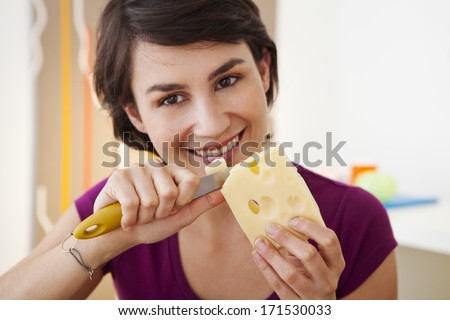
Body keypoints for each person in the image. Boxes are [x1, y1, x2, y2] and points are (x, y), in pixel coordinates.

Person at [0, 0, 397, 299]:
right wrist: (108, 242)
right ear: (136, 114)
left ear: (262, 71)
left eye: (227, 80)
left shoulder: (355, 220)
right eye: (172, 98)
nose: (211, 126)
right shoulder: (113, 210)